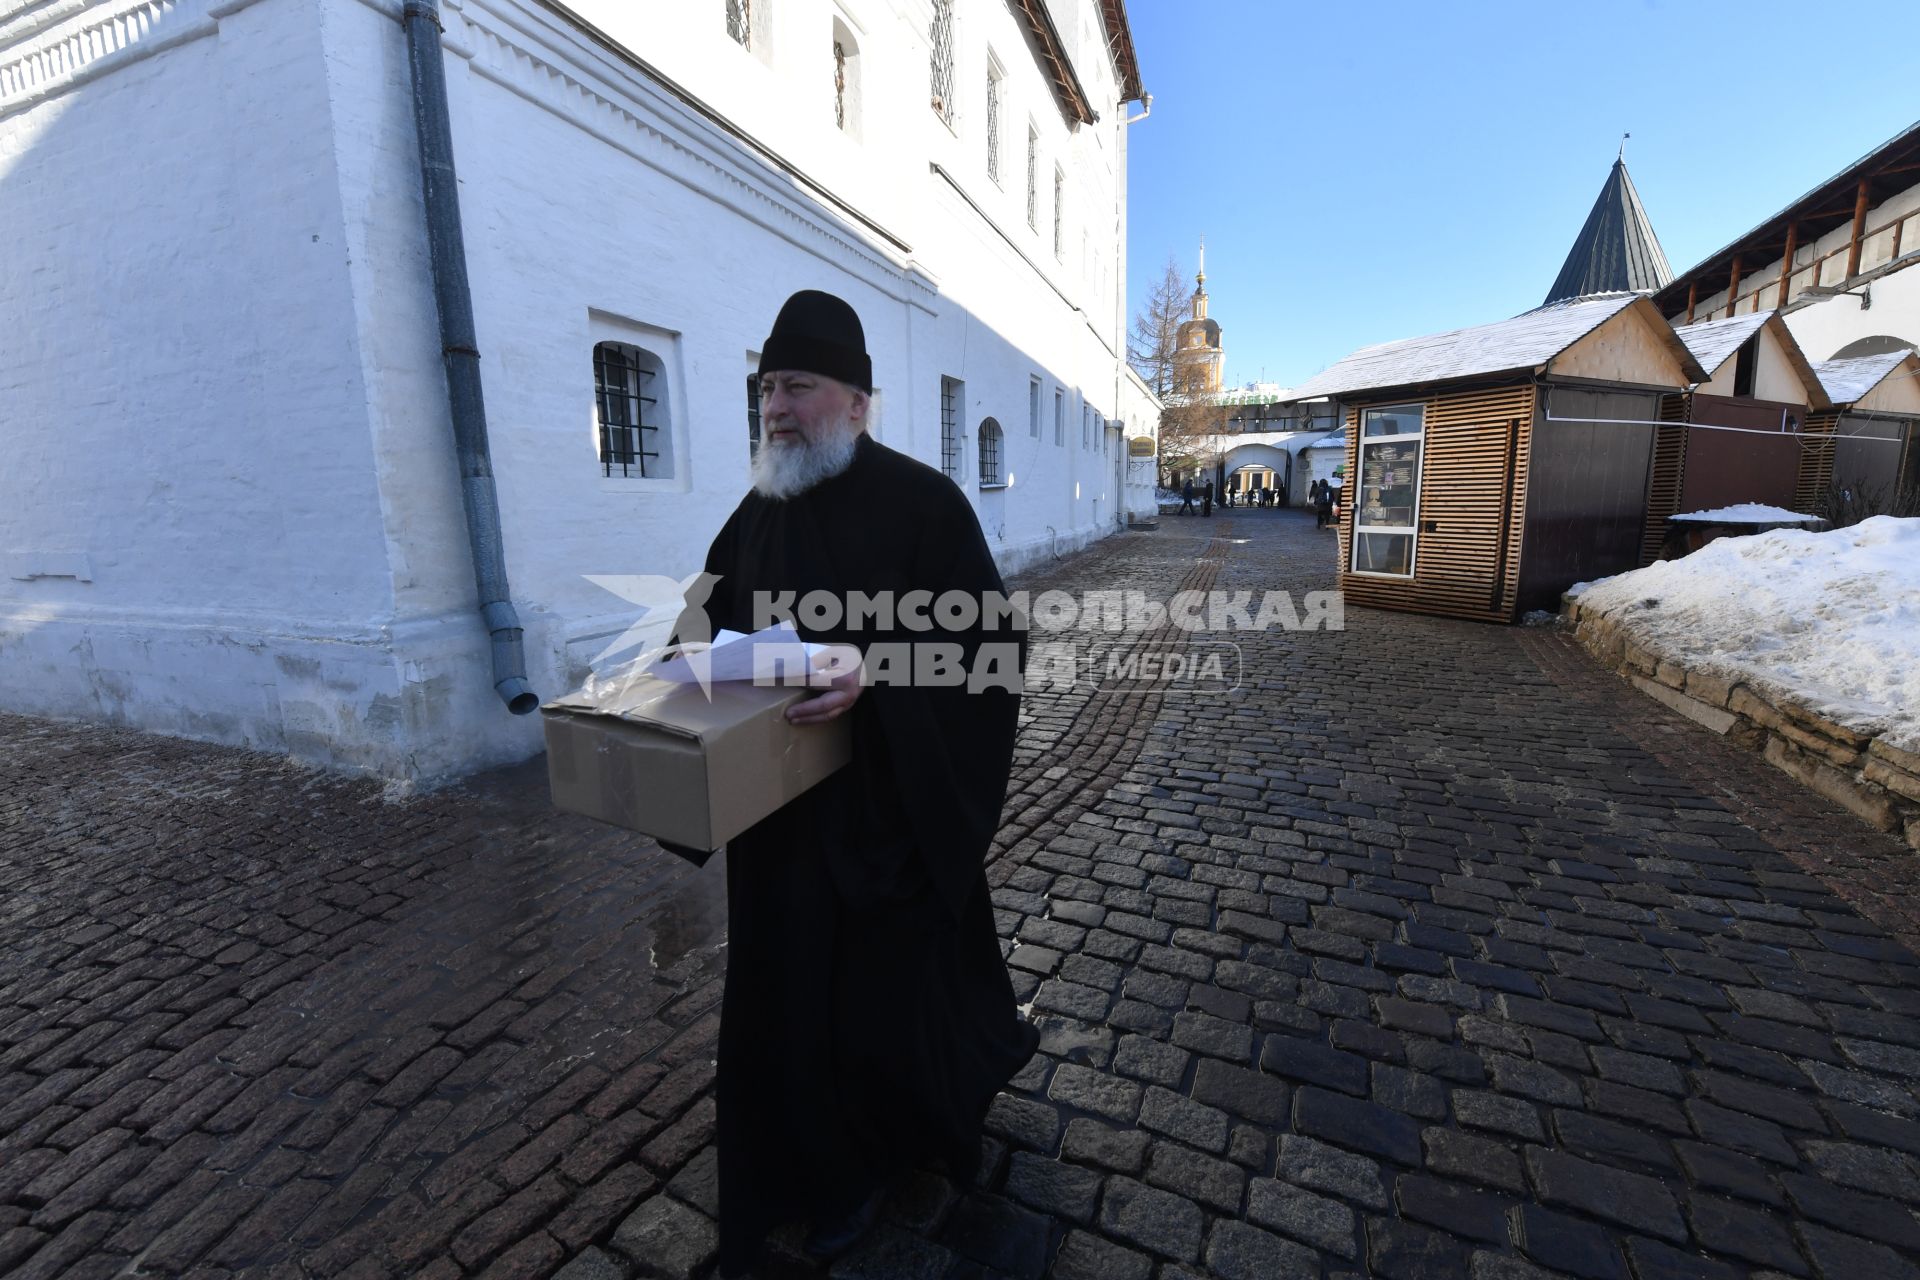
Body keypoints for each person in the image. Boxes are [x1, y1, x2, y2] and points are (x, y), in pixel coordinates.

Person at [673, 290, 1038, 1275]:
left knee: (871, 1016)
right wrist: (661, 683)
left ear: (858, 401)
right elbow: (699, 632)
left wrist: (875, 670)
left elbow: (990, 649)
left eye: (797, 385)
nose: (776, 406)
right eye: (766, 388)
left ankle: (870, 1165)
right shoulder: (753, 515)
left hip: (886, 822)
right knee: (781, 1011)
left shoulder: (924, 505)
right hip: (778, 829)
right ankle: (794, 1169)